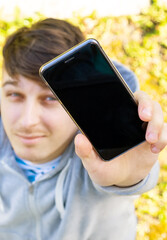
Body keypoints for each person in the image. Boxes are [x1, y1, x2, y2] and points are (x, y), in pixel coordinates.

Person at [0, 18, 166, 240]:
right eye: (14, 94)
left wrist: (128, 177)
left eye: (51, 97)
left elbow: (127, 176)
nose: (28, 121)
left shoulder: (96, 149)